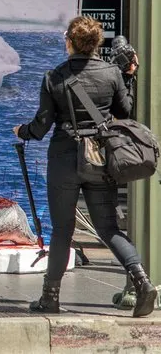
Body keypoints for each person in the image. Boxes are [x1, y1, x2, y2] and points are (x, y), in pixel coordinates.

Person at [13, 16, 157, 318]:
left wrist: (21, 132)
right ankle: (142, 282)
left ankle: (50, 298)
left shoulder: (54, 76)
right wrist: (128, 77)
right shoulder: (111, 74)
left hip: (64, 158)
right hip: (99, 160)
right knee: (108, 228)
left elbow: (40, 127)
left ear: (69, 42)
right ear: (96, 43)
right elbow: (124, 112)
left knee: (62, 230)